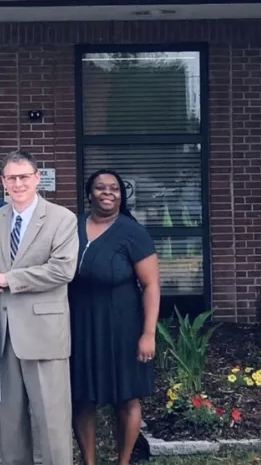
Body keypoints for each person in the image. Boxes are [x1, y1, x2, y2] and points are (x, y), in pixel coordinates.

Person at [0, 150, 78, 465]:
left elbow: (63, 270)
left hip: (44, 334)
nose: (18, 183)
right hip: (4, 334)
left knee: (52, 423)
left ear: (37, 179)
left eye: (24, 176)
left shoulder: (62, 218)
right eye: (11, 178)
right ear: (3, 183)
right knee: (10, 425)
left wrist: (10, 279)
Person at [70, 170, 160, 465]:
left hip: (123, 326)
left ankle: (123, 461)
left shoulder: (132, 232)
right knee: (83, 397)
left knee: (127, 397)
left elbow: (150, 285)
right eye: (100, 188)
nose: (108, 193)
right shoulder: (73, 227)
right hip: (81, 325)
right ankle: (89, 462)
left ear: (122, 195)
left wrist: (147, 334)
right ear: (89, 193)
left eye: (114, 189)